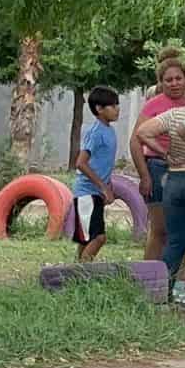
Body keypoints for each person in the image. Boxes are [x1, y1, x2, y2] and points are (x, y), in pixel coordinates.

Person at [134, 71, 185, 305]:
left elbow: (142, 133)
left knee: (175, 240)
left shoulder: (175, 114)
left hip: (176, 178)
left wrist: (164, 153)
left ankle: (160, 293)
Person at [134, 58, 185, 260]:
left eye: (178, 78)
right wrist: (144, 176)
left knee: (181, 231)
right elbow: (136, 140)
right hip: (157, 167)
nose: (174, 83)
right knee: (160, 229)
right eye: (168, 80)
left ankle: (177, 283)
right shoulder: (153, 105)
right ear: (161, 82)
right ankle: (149, 281)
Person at [71, 87, 121, 263]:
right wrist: (102, 186)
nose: (117, 109)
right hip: (87, 193)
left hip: (96, 193)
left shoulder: (110, 131)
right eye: (112, 105)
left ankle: (76, 273)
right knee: (98, 238)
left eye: (117, 104)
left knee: (86, 238)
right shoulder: (96, 132)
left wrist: (108, 185)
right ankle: (82, 275)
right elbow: (81, 163)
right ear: (99, 109)